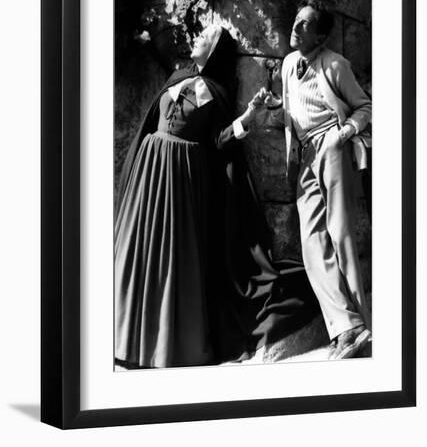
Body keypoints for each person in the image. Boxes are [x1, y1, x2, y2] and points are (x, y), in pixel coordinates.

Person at [114, 25, 315, 369]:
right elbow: (153, 122)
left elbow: (220, 141)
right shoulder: (176, 76)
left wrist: (248, 116)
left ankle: (161, 345)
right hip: (149, 175)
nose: (196, 39)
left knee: (170, 257)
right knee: (137, 250)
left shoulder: (215, 93)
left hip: (180, 181)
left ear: (215, 48)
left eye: (203, 37)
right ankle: (120, 333)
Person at [280, 0, 372, 360]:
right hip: (304, 154)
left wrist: (344, 133)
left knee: (342, 237)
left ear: (319, 36)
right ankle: (349, 327)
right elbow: (292, 105)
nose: (296, 27)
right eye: (296, 20)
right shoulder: (289, 64)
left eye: (305, 24)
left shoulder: (336, 64)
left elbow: (366, 105)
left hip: (332, 146)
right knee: (312, 244)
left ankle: (360, 326)